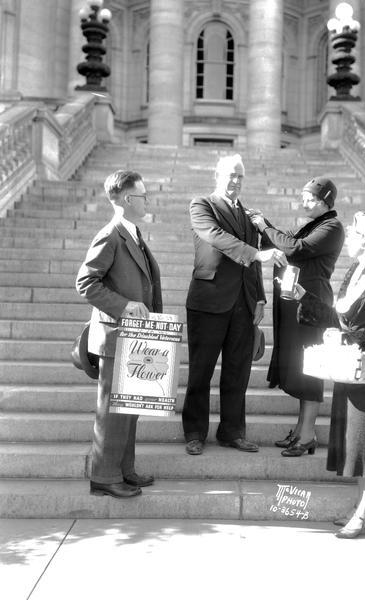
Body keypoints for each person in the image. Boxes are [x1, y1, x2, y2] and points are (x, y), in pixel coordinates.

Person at [294, 211, 365, 538]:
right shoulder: (357, 271)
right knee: (356, 443)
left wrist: (354, 338)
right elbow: (342, 321)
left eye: (354, 236)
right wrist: (304, 298)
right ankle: (364, 509)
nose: (349, 239)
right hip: (349, 367)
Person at [182, 154, 287, 455]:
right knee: (201, 371)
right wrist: (256, 254)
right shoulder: (202, 205)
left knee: (237, 372)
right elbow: (216, 237)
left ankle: (232, 431)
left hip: (243, 302)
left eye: (240, 176)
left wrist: (261, 298)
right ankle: (194, 432)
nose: (236, 181)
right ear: (217, 174)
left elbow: (255, 258)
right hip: (208, 301)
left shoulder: (248, 214)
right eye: (231, 175)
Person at [76, 170, 162, 499]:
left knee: (130, 407)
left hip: (136, 338)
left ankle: (124, 470)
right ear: (127, 200)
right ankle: (104, 476)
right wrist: (124, 306)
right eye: (143, 195)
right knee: (112, 410)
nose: (147, 200)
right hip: (115, 337)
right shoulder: (110, 234)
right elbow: (85, 283)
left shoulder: (132, 232)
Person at [249, 177, 344, 456]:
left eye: (310, 198)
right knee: (302, 367)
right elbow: (283, 239)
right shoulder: (311, 223)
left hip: (313, 305)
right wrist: (263, 224)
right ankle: (302, 430)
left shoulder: (332, 227)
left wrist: (265, 227)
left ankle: (306, 435)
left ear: (326, 201)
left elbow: (294, 248)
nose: (304, 202)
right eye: (303, 196)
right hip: (298, 302)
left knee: (311, 370)